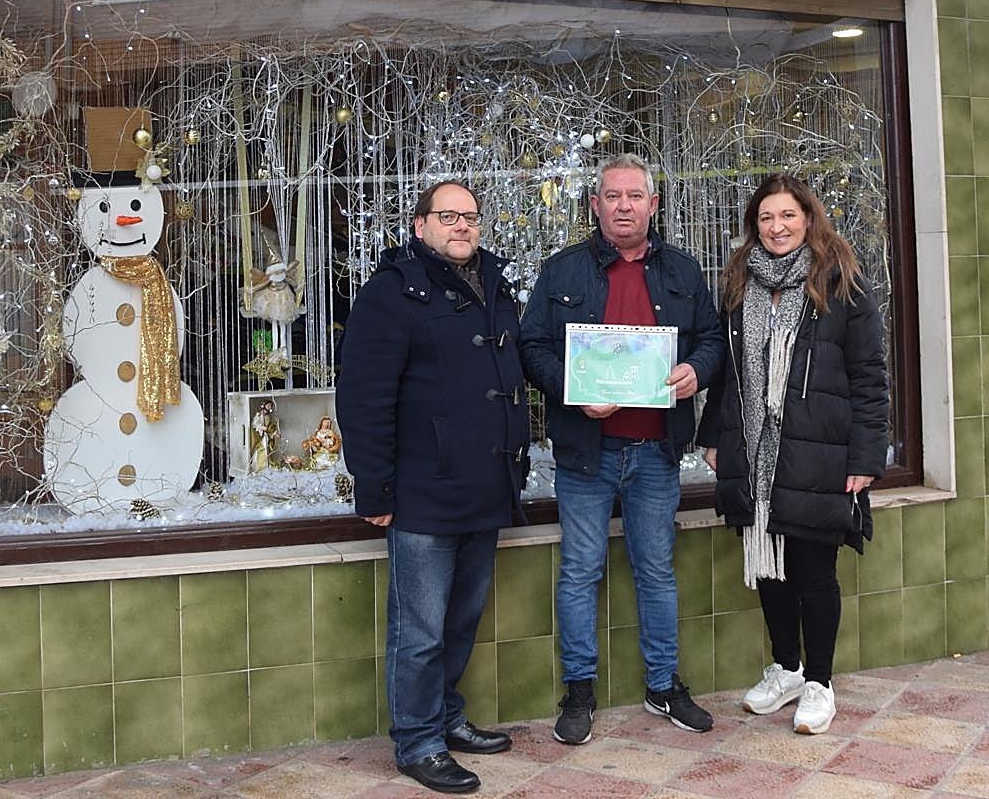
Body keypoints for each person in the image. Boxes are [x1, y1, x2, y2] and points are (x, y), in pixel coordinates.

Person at [520, 153, 724, 744]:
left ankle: (663, 685)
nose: (625, 206)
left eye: (636, 196)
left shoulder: (683, 272)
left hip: (656, 452)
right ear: (596, 205)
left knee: (656, 571)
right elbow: (531, 347)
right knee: (580, 572)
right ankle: (578, 691)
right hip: (587, 453)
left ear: (653, 205)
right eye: (613, 196)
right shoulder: (561, 272)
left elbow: (712, 340)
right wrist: (571, 389)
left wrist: (695, 371)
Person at [337, 180, 529, 794]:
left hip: (486, 486)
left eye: (470, 216)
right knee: (418, 631)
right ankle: (417, 741)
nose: (462, 226)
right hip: (423, 491)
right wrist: (376, 490)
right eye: (447, 216)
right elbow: (364, 398)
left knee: (461, 620)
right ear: (420, 225)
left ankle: (446, 719)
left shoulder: (495, 286)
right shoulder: (392, 293)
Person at [696, 174, 888, 735]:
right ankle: (786, 669)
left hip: (819, 451)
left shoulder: (839, 282)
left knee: (811, 571)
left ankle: (820, 684)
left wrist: (866, 456)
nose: (777, 228)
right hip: (757, 452)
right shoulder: (739, 284)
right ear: (754, 226)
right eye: (766, 219)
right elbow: (729, 373)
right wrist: (714, 436)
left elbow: (870, 376)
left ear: (808, 218)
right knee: (769, 569)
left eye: (787, 216)